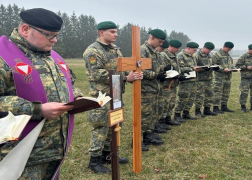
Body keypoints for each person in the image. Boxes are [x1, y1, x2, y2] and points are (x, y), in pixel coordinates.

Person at [0, 8, 83, 179]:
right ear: (25, 30)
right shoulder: (3, 57)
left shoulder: (52, 57)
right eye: (50, 35)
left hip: (54, 148)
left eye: (56, 35)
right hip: (22, 153)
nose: (55, 40)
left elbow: (68, 82)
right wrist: (36, 109)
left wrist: (77, 97)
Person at [83, 21, 142, 173]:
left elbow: (121, 67)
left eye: (116, 32)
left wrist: (133, 72)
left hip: (116, 94)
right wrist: (124, 79)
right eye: (112, 32)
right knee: (101, 127)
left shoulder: (115, 49)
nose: (116, 34)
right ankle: (94, 160)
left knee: (114, 125)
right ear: (101, 33)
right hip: (102, 96)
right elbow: (96, 74)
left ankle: (108, 154)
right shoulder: (93, 51)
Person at [140, 29, 166, 150]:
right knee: (143, 115)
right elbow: (141, 70)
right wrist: (157, 75)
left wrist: (165, 69)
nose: (161, 44)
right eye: (159, 41)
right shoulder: (143, 50)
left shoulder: (155, 52)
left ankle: (148, 135)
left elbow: (156, 67)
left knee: (152, 114)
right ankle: (137, 140)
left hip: (154, 88)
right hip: (145, 89)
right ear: (152, 37)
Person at [159, 39, 183, 128]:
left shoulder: (174, 56)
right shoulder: (164, 55)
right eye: (176, 48)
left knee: (171, 103)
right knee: (165, 103)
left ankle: (168, 118)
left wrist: (179, 75)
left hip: (173, 84)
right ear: (171, 46)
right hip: (166, 84)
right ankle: (161, 120)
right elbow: (162, 69)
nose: (178, 50)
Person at [174, 42, 200, 121]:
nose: (194, 52)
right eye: (194, 50)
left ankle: (186, 113)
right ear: (188, 48)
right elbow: (179, 69)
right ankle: (177, 114)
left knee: (191, 98)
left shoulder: (192, 56)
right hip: (185, 81)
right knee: (183, 98)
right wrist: (193, 68)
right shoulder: (180, 56)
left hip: (193, 80)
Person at [235, 44, 252, 112]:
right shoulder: (243, 57)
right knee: (244, 93)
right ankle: (243, 106)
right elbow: (237, 66)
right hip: (245, 78)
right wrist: (246, 67)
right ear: (249, 49)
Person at [193, 42, 218, 117]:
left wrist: (215, 67)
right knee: (199, 96)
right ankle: (197, 111)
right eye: (208, 49)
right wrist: (202, 68)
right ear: (204, 47)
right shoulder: (196, 55)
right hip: (200, 79)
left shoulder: (209, 56)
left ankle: (207, 110)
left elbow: (213, 63)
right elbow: (193, 66)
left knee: (209, 95)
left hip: (209, 78)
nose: (209, 51)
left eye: (210, 50)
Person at [212, 41, 235, 113]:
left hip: (228, 77)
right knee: (217, 92)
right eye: (228, 49)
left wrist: (233, 68)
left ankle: (224, 106)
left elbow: (230, 64)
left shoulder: (228, 55)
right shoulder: (217, 55)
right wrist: (222, 69)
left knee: (226, 92)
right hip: (219, 77)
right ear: (224, 46)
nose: (229, 50)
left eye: (230, 49)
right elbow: (213, 65)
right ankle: (215, 107)